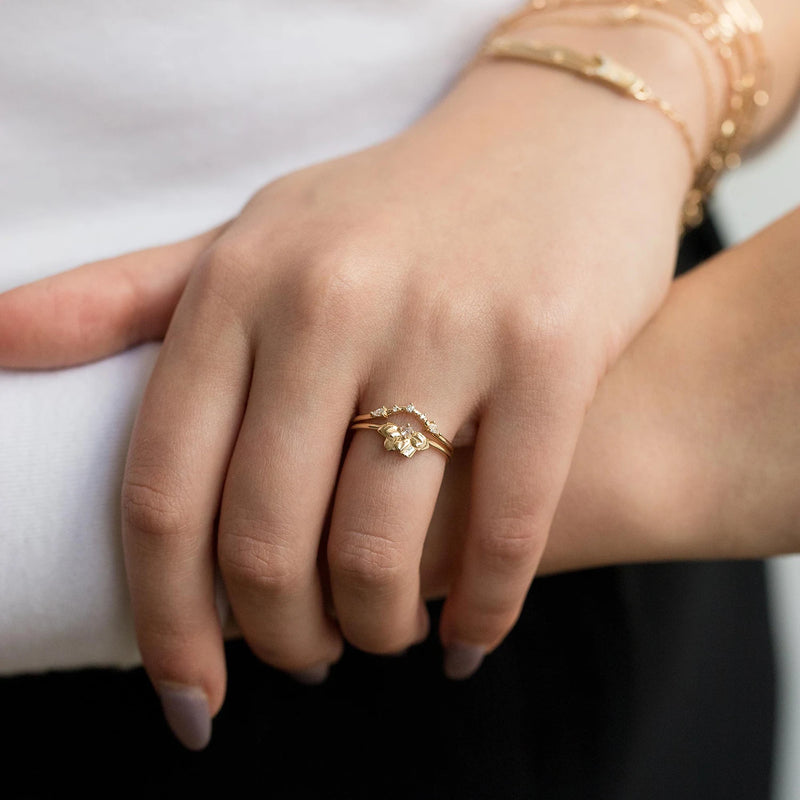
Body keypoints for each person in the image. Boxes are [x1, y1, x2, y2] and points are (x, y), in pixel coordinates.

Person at [1, 1, 798, 796]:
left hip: (581, 291)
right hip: (575, 459)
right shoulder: (668, 424)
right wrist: (677, 414)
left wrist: (648, 61)